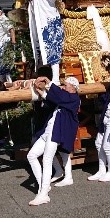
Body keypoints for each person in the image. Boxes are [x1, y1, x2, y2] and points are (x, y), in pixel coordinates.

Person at [26, 76, 80, 206]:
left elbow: (60, 97)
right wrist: (39, 90)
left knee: (47, 159)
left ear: (73, 88)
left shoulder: (74, 98)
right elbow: (51, 98)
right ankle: (42, 185)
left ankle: (43, 194)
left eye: (66, 85)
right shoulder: (65, 97)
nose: (64, 87)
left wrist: (48, 82)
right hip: (48, 132)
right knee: (31, 155)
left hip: (56, 134)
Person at [21, 0, 66, 85]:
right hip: (40, 33)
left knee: (53, 53)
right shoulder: (31, 2)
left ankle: (55, 79)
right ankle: (44, 77)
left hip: (50, 28)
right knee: (41, 55)